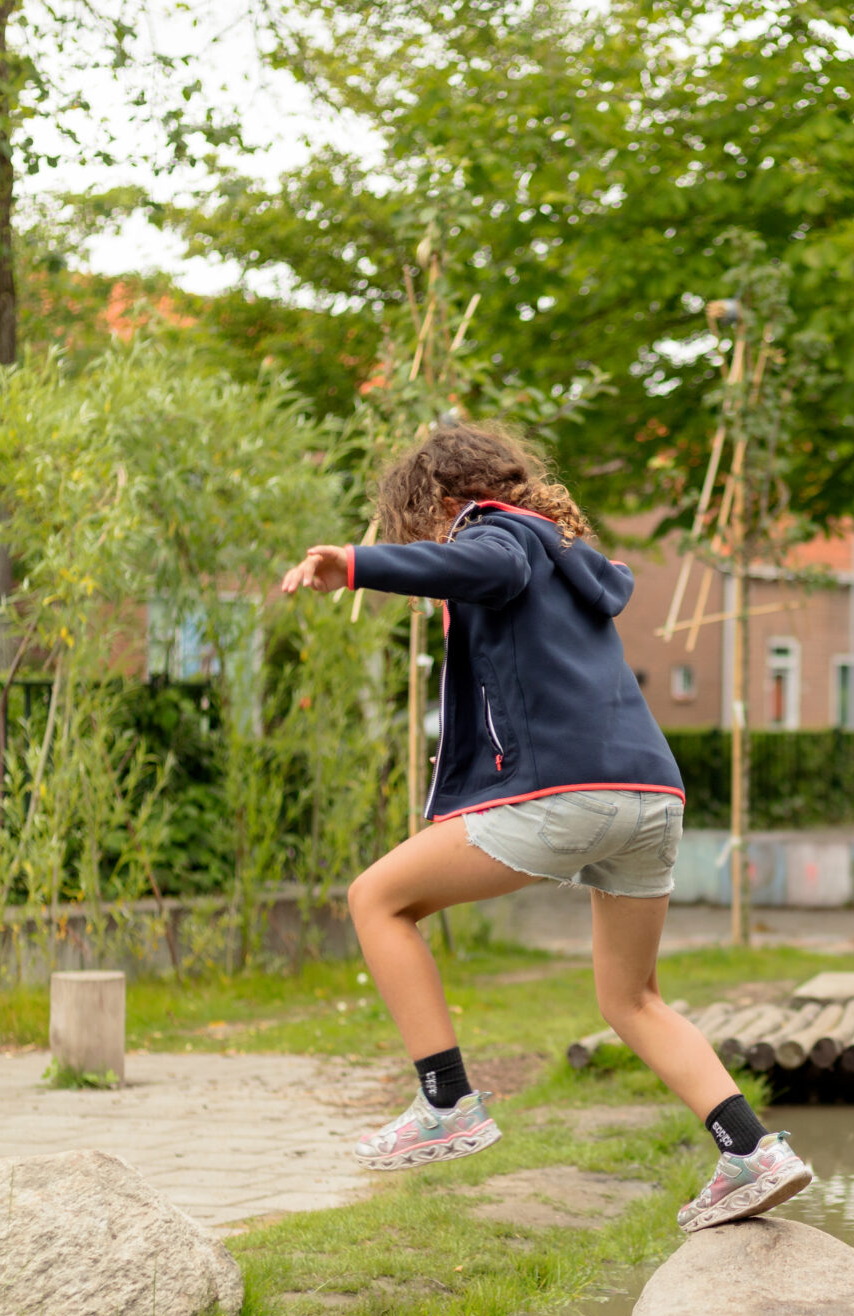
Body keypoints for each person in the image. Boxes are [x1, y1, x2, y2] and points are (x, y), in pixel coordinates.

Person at [278, 421, 814, 1232]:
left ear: (440, 502)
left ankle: (446, 1099)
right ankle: (751, 1150)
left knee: (377, 898)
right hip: (650, 795)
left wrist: (353, 564)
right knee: (630, 997)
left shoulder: (499, 536)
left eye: (414, 521)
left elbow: (477, 563)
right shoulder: (563, 553)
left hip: (569, 794)